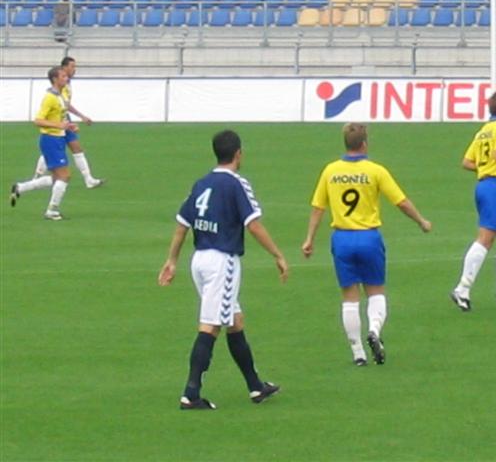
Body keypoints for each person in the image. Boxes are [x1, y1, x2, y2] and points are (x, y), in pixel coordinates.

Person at [158, 130, 289, 410]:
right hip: (222, 261)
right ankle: (190, 394)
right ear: (238, 154)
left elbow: (182, 224)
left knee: (234, 321)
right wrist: (277, 254)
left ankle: (255, 387)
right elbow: (253, 224)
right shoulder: (237, 184)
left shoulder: (201, 183)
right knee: (211, 325)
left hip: (199, 260)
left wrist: (172, 260)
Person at [301, 123, 431, 366]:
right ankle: (374, 330)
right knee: (375, 291)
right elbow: (400, 201)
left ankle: (358, 353)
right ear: (364, 144)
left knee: (350, 297)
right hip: (369, 237)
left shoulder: (330, 171)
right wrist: (421, 221)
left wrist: (309, 238)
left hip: (342, 238)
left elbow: (318, 207)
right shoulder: (375, 171)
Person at [449, 90, 496, 312]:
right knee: (485, 239)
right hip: (495, 187)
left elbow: (466, 162)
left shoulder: (483, 131)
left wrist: (484, 169)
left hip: (486, 185)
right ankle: (462, 288)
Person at [10, 67, 77, 220]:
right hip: (51, 140)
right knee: (65, 176)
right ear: (55, 79)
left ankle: (21, 187)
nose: (66, 78)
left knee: (56, 178)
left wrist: (68, 125)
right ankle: (52, 210)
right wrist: (59, 126)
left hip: (57, 139)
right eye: (63, 76)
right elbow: (38, 120)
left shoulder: (60, 94)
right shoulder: (50, 97)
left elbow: (58, 117)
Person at [33, 57, 104, 189]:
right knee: (52, 150)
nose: (74, 69)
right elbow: (58, 107)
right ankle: (36, 178)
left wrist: (81, 116)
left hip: (65, 120)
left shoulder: (67, 85)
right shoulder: (60, 88)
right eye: (71, 66)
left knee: (76, 148)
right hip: (60, 122)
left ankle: (88, 179)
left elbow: (66, 105)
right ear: (64, 68)